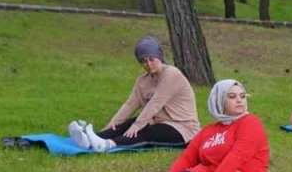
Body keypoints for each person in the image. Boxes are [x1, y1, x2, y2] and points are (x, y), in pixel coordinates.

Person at [98, 79, 270, 172]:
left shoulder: (250, 123)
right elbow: (189, 155)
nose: (239, 100)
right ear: (219, 101)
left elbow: (239, 154)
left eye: (242, 96)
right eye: (232, 97)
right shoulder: (210, 130)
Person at [68, 36, 201, 151]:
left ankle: (107, 145)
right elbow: (130, 104)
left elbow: (155, 103)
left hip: (183, 129)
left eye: (151, 59)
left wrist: (137, 125)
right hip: (157, 121)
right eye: (143, 60)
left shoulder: (171, 74)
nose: (148, 64)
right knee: (127, 124)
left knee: (144, 130)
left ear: (160, 57)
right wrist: (113, 123)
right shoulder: (142, 81)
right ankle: (93, 138)